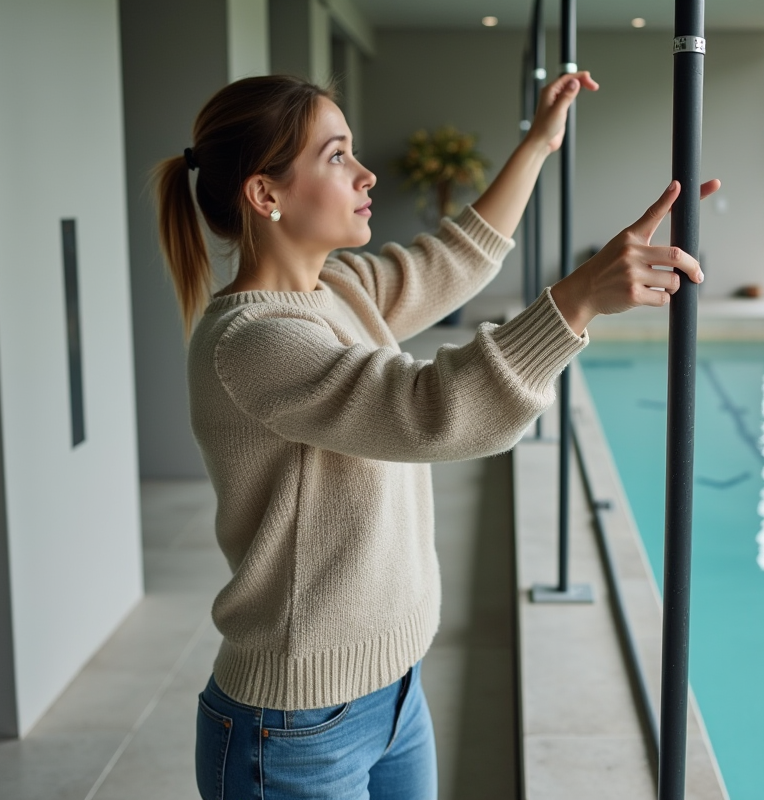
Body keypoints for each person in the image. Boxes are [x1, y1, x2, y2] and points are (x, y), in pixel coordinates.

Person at [154, 72, 718, 800]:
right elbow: (425, 411)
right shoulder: (251, 342)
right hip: (292, 732)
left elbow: (453, 259)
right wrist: (576, 299)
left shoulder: (338, 290)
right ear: (266, 195)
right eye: (336, 156)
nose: (366, 173)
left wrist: (539, 145)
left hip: (393, 695)